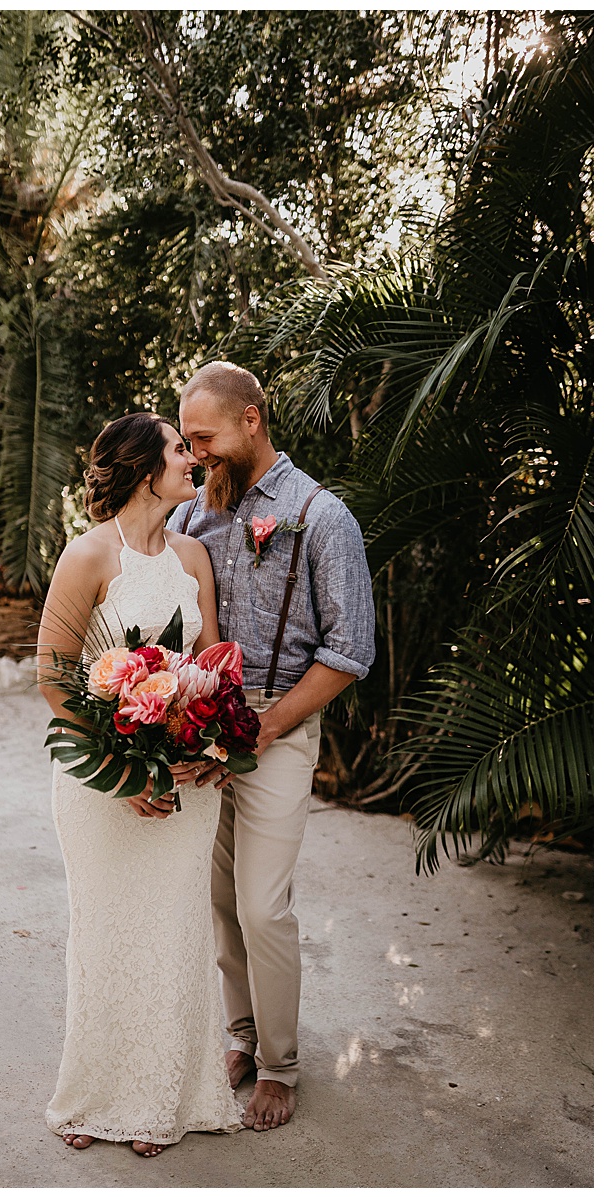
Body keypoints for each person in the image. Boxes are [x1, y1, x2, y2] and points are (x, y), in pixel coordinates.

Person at [168, 361, 375, 1132]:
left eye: (205, 438)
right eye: (186, 442)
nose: (195, 455)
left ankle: (282, 1066)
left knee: (262, 906)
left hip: (277, 727)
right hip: (201, 725)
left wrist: (271, 722)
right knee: (219, 900)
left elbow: (350, 650)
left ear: (252, 420)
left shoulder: (321, 516)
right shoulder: (195, 515)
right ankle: (243, 1037)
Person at [38, 412, 243, 1157]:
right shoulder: (88, 557)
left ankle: (163, 1101)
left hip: (187, 786)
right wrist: (121, 770)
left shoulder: (193, 557)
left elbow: (214, 668)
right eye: (179, 450)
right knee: (107, 934)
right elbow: (55, 679)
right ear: (141, 469)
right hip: (102, 782)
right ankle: (95, 1098)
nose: (192, 459)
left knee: (174, 933)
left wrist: (211, 743)